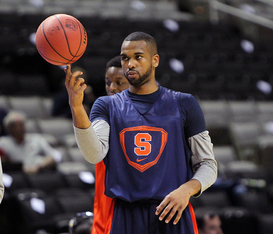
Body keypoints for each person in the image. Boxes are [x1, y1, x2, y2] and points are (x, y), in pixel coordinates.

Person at [65, 31, 218, 234]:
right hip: (126, 215)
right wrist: (76, 107)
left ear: (155, 60)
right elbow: (94, 154)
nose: (130, 64)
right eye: (125, 58)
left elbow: (207, 164)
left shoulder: (184, 103)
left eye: (138, 57)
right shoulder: (106, 105)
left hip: (173, 212)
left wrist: (187, 190)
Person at [92, 55, 129, 234]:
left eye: (119, 82)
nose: (112, 88)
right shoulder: (102, 113)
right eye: (108, 82)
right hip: (104, 211)